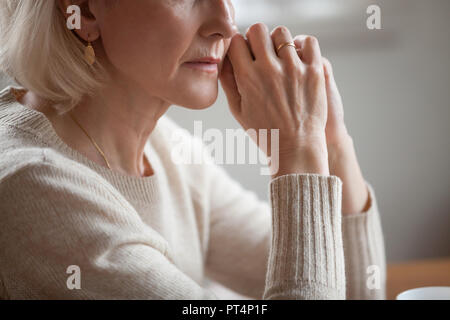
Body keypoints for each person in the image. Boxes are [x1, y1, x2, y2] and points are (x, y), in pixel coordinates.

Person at [0, 0, 385, 299]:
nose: (225, 24)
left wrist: (331, 142)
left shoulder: (165, 146)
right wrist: (297, 148)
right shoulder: (35, 186)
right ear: (83, 11)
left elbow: (350, 286)